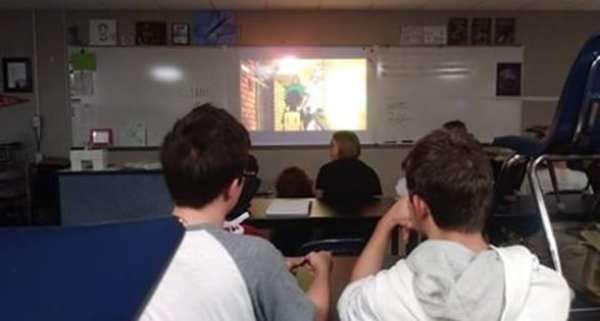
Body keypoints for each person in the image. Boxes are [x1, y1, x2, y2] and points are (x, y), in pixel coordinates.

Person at [338, 129, 570, 321]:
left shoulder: (387, 297)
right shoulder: (546, 290)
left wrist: (386, 222)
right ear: (485, 196)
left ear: (418, 205)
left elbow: (349, 300)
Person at [140, 104, 332, 321]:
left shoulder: (132, 248)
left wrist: (271, 267)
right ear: (233, 186)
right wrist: (322, 269)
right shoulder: (255, 255)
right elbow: (314, 316)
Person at [315, 131, 382, 202]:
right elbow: (377, 200)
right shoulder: (368, 171)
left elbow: (319, 199)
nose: (329, 149)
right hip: (361, 213)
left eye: (332, 145)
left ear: (342, 148)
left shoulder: (326, 170)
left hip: (331, 213)